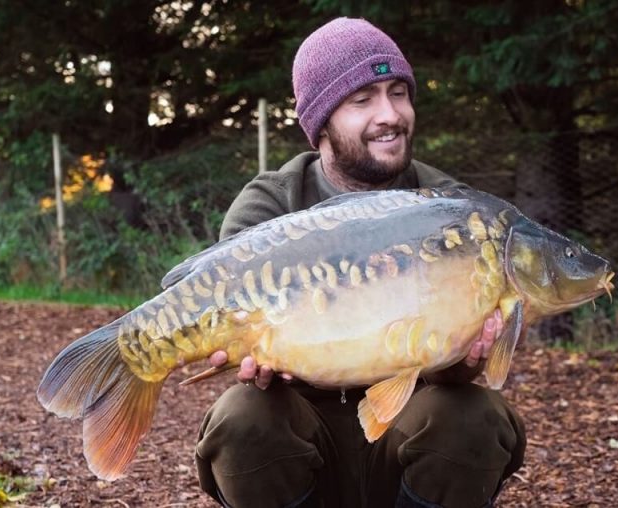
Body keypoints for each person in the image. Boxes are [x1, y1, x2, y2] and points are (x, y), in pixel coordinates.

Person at [194, 17, 526, 508]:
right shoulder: (270, 205)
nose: (390, 114)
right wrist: (251, 357)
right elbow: (234, 330)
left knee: (471, 413)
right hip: (303, 441)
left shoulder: (453, 213)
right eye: (362, 100)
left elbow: (448, 377)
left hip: (403, 439)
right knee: (243, 415)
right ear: (321, 121)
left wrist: (462, 361)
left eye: (398, 93)